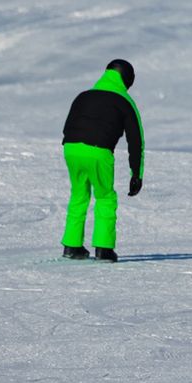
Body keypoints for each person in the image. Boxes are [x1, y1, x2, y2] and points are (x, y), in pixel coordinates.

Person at [60, 59, 145, 261]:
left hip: (71, 149)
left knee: (79, 195)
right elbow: (136, 140)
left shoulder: (84, 96)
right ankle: (104, 248)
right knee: (105, 197)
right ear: (126, 79)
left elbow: (68, 125)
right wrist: (136, 173)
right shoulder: (124, 100)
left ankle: (71, 246)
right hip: (98, 151)